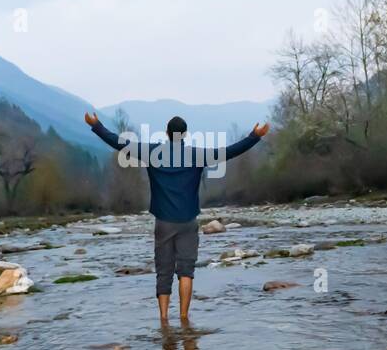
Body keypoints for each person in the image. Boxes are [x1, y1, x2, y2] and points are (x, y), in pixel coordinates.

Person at [84, 112, 268, 322]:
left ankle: (163, 319)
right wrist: (255, 136)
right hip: (188, 221)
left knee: (163, 271)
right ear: (185, 135)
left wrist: (96, 125)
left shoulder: (151, 152)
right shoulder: (198, 154)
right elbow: (229, 152)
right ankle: (183, 317)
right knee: (186, 272)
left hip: (163, 221)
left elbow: (119, 143)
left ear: (167, 133)